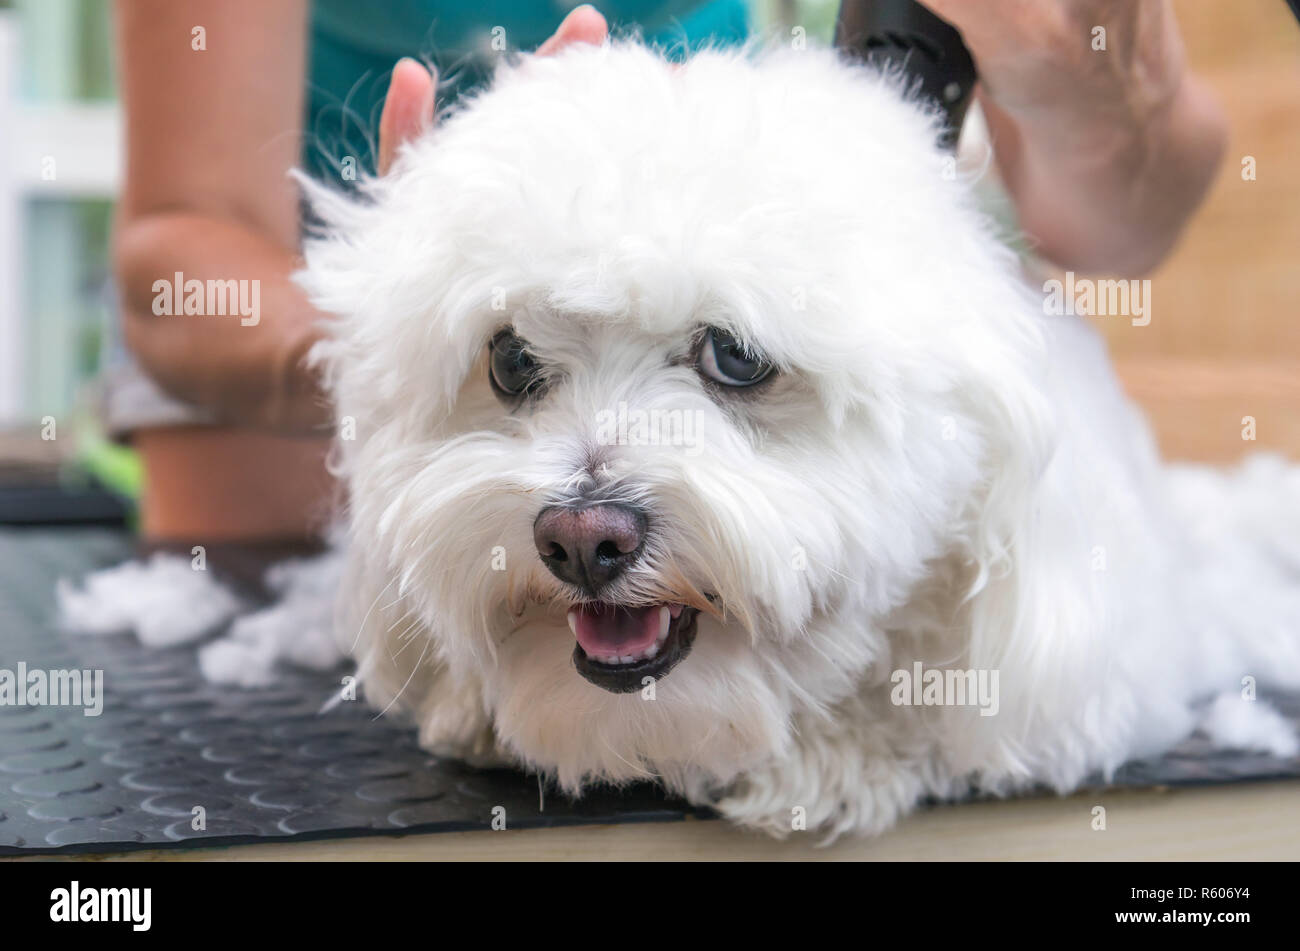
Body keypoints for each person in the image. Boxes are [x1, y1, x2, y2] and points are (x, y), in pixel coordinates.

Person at [110, 1, 1225, 542]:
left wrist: (1091, 89)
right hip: (298, 339)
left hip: (720, 355)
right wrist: (400, 335)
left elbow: (1116, 241)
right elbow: (180, 232)